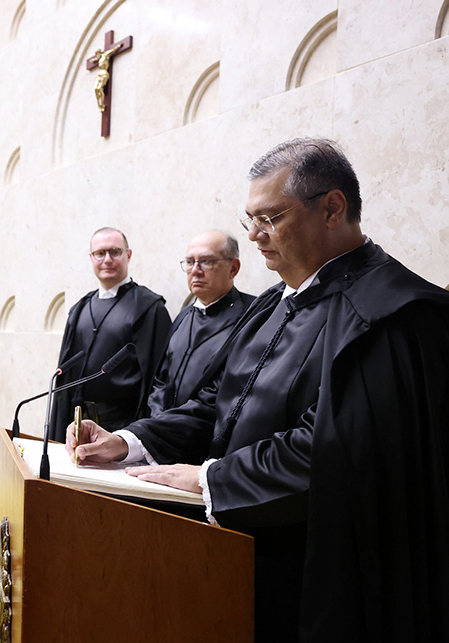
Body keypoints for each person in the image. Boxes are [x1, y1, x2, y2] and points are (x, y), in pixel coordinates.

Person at [66, 138, 449, 641]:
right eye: (249, 219)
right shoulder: (271, 304)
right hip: (239, 557)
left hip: (321, 578)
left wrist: (212, 479)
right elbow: (221, 408)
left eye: (269, 219)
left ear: (332, 208)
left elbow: (333, 453)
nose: (252, 235)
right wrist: (129, 440)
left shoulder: (390, 315)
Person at [51, 227, 171, 442]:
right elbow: (64, 380)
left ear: (128, 255)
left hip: (124, 431)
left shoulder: (148, 307)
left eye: (115, 252)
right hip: (76, 427)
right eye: (100, 253)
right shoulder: (79, 309)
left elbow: (158, 381)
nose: (107, 259)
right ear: (91, 257)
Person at [147, 231, 254, 415]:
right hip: (164, 433)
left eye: (206, 261)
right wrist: (157, 421)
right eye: (190, 262)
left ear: (233, 268)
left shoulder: (253, 315)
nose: (195, 270)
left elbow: (233, 392)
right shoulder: (184, 315)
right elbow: (161, 381)